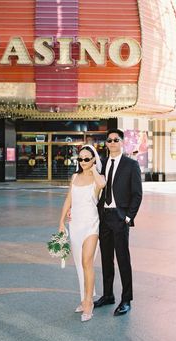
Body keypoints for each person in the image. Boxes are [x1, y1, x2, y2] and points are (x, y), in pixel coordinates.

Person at [94, 128, 143, 316]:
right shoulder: (102, 163)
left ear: (122, 142)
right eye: (109, 140)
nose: (112, 143)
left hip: (120, 218)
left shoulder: (131, 165)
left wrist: (128, 217)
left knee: (123, 259)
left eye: (116, 140)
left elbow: (137, 194)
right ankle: (108, 295)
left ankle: (126, 299)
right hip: (104, 217)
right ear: (106, 144)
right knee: (106, 259)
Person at [59, 145, 106, 322]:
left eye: (87, 158)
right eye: (80, 159)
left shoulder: (98, 178)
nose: (83, 161)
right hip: (75, 225)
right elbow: (69, 199)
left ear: (93, 160)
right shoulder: (74, 177)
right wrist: (61, 222)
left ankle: (89, 302)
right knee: (79, 264)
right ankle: (84, 297)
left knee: (87, 262)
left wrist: (93, 168)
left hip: (91, 224)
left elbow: (102, 184)